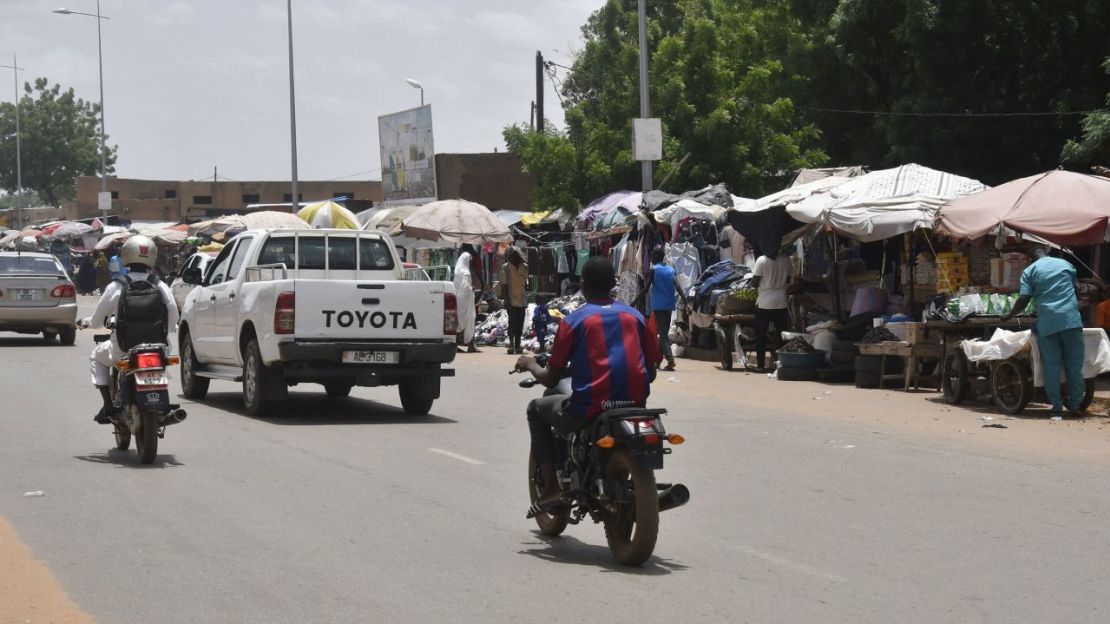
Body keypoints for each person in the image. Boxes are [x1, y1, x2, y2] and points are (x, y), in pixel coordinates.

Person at [514, 257, 661, 512]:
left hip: (589, 407)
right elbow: (651, 372)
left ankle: (550, 489)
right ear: (613, 285)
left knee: (535, 409)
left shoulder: (573, 321)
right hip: (636, 404)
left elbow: (551, 378)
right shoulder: (635, 316)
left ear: (583, 286)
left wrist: (530, 365)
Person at [80, 236, 178, 424]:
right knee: (162, 365)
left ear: (126, 256)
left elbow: (97, 321)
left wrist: (86, 322)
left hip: (124, 349)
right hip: (159, 348)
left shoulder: (116, 286)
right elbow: (173, 312)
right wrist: (169, 330)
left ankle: (108, 405)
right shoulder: (159, 284)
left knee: (96, 357)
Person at [1002, 246, 1084, 420]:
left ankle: (1057, 409)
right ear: (1047, 253)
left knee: (1052, 366)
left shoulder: (1030, 271)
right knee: (1075, 366)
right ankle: (1076, 406)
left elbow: (1024, 298)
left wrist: (1009, 315)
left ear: (1030, 259)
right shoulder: (1065, 264)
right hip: (1071, 321)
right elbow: (1076, 289)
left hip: (1048, 324)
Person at [751, 249, 793, 371]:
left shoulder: (762, 260)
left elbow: (754, 282)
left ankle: (760, 365)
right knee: (781, 335)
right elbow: (789, 280)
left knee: (761, 335)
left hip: (764, 302)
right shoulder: (786, 259)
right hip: (781, 302)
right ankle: (782, 364)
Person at [641, 247, 678, 371]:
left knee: (662, 334)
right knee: (663, 333)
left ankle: (670, 360)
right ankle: (657, 361)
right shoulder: (671, 270)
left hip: (658, 306)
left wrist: (635, 301)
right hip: (669, 305)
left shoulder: (654, 270)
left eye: (651, 257)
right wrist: (684, 302)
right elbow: (678, 287)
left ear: (654, 258)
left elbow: (646, 289)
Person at [496, 246, 529, 354]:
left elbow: (526, 283)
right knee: (512, 323)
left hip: (522, 301)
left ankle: (518, 345)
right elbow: (504, 286)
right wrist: (507, 300)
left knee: (520, 324)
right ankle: (511, 345)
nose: (512, 257)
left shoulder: (524, 267)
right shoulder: (506, 267)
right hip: (511, 300)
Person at [453, 246, 478, 353]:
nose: (471, 263)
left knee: (458, 322)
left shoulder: (457, 270)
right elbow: (465, 287)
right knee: (469, 320)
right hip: (465, 301)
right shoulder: (466, 272)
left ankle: (457, 345)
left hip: (457, 299)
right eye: (470, 261)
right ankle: (470, 345)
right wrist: (471, 288)